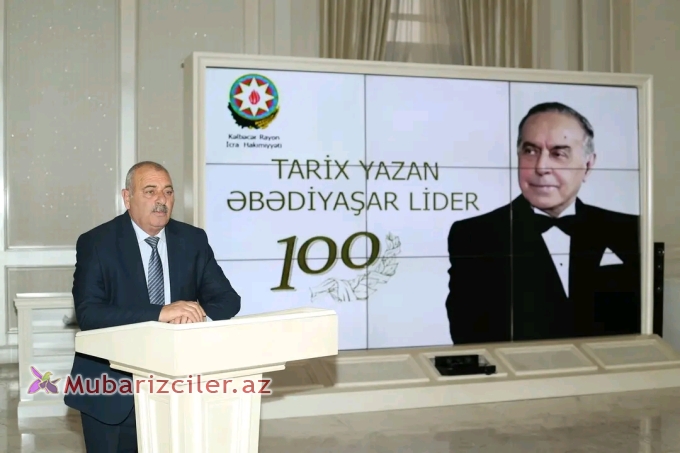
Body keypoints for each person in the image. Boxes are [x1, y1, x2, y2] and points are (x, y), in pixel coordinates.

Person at [64, 161, 241, 452]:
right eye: (150, 191)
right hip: (112, 391)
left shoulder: (193, 240)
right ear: (127, 197)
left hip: (180, 388)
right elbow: (89, 314)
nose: (162, 199)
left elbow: (228, 300)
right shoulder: (96, 243)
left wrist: (195, 317)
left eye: (168, 192)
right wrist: (160, 313)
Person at [445, 102, 640, 345]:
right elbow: (469, 336)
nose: (541, 167)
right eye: (530, 151)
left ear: (588, 166)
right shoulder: (474, 235)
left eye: (559, 153)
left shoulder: (631, 229)